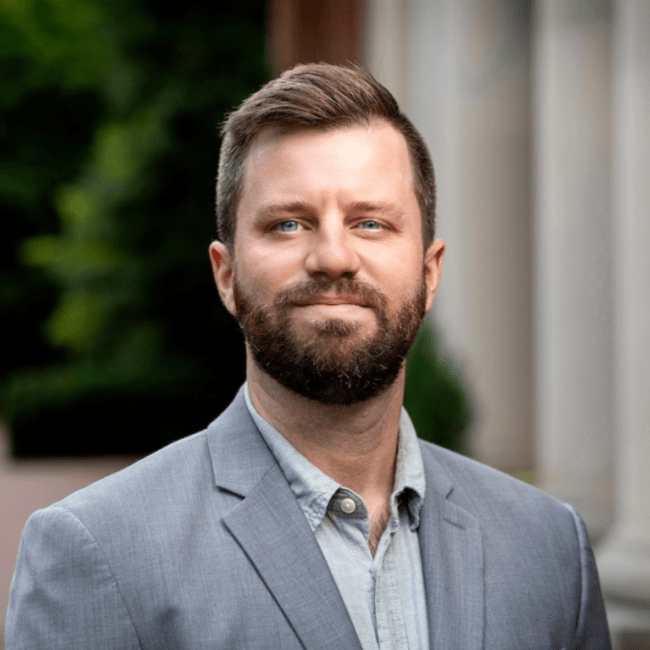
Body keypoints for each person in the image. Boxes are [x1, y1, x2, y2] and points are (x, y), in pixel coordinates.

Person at [6, 63, 611, 650]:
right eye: (289, 225)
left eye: (370, 223)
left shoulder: (549, 548)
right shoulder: (97, 553)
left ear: (429, 273)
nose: (333, 257)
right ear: (226, 274)